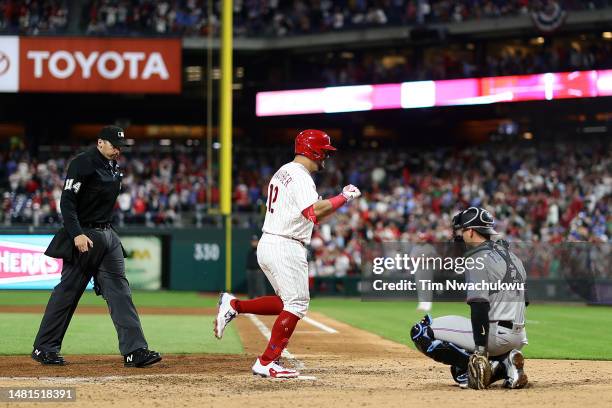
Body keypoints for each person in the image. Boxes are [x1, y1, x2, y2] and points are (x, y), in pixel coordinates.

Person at [213, 129, 361, 378]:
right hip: (285, 244)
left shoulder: (284, 171)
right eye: (324, 151)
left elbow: (308, 212)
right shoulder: (300, 175)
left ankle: (234, 305)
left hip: (272, 241)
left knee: (286, 302)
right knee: (297, 303)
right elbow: (313, 212)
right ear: (313, 150)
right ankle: (267, 361)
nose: (326, 157)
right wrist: (343, 198)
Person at [32, 125, 161, 368]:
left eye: (120, 146)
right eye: (114, 145)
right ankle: (44, 347)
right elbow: (67, 202)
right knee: (68, 292)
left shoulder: (113, 165)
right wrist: (77, 234)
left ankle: (135, 351)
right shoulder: (83, 163)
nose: (118, 150)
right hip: (86, 235)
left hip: (107, 235)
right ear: (100, 142)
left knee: (120, 291)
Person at [410, 207, 528, 390]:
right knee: (458, 370)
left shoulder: (477, 258)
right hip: (519, 336)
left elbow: (479, 305)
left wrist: (480, 351)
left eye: (463, 230)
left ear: (471, 231)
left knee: (421, 332)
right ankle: (505, 364)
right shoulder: (512, 256)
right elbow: (525, 300)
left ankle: (483, 368)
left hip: (494, 336)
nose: (460, 235)